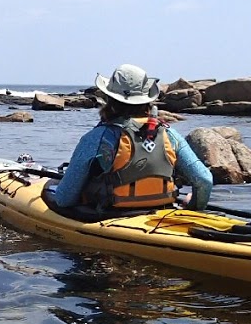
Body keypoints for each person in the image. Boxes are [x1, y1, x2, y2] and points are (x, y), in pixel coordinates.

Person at [44, 63, 214, 216]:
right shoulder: (170, 134)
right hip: (163, 212)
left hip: (111, 215)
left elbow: (64, 199)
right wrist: (193, 208)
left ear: (109, 100)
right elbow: (204, 180)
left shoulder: (97, 138)